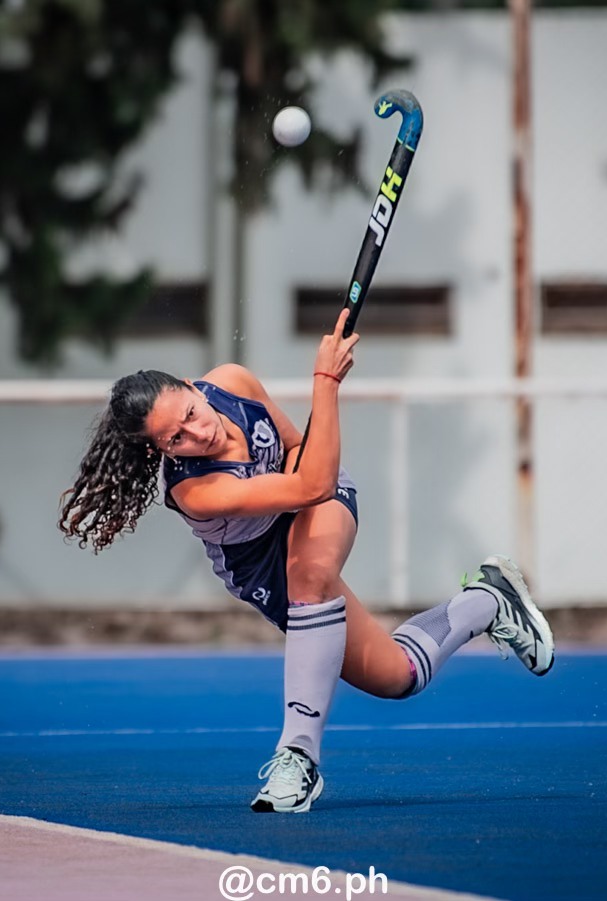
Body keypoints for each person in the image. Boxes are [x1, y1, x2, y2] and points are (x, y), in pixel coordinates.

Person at [58, 309, 554, 814]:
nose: (196, 432)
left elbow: (302, 457)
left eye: (189, 412)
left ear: (192, 386)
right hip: (261, 560)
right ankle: (488, 601)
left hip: (316, 502)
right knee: (397, 676)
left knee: (311, 573)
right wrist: (326, 381)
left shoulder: (231, 382)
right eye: (175, 438)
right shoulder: (193, 487)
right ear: (158, 450)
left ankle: (298, 757)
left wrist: (317, 411)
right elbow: (304, 479)